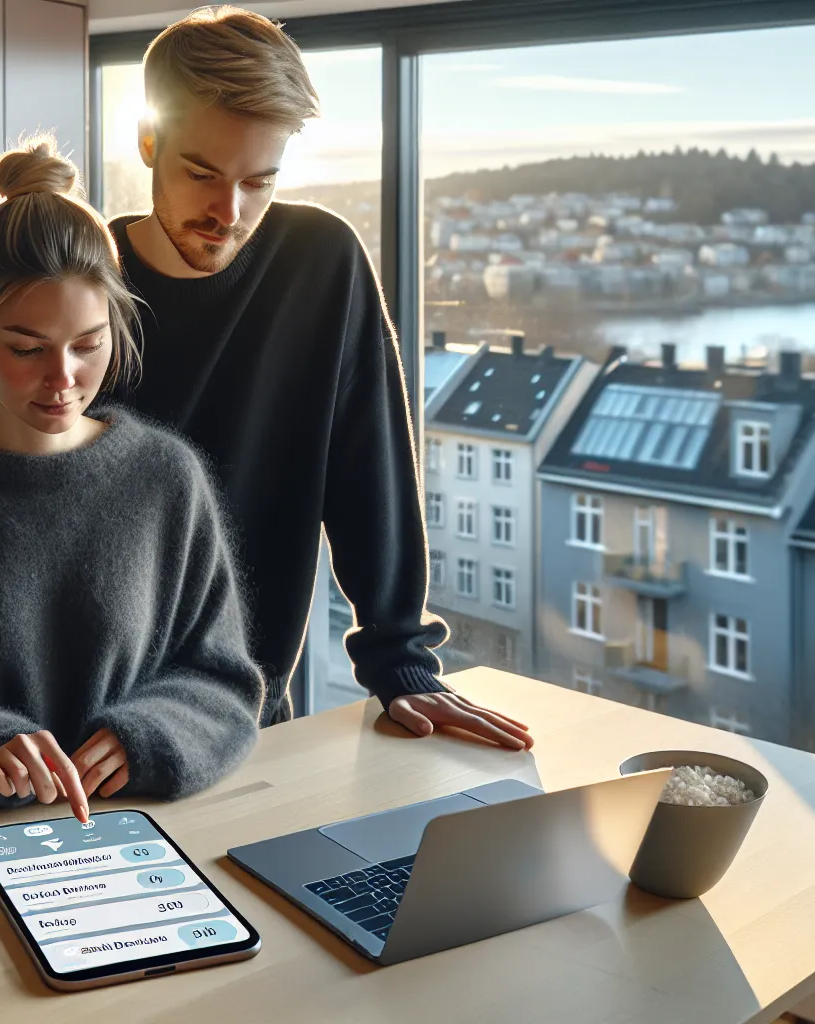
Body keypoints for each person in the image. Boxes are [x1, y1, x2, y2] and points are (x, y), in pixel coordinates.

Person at [103, 6, 533, 750]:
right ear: (148, 141)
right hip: (87, 714)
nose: (226, 213)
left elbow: (370, 469)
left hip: (247, 714)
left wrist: (401, 663)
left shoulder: (320, 260)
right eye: (201, 173)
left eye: (259, 181)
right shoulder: (86, 278)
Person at [0, 138, 267, 825]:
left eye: (89, 344)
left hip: (147, 839)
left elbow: (223, 684)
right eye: (27, 349)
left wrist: (147, 735)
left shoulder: (166, 480)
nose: (62, 379)